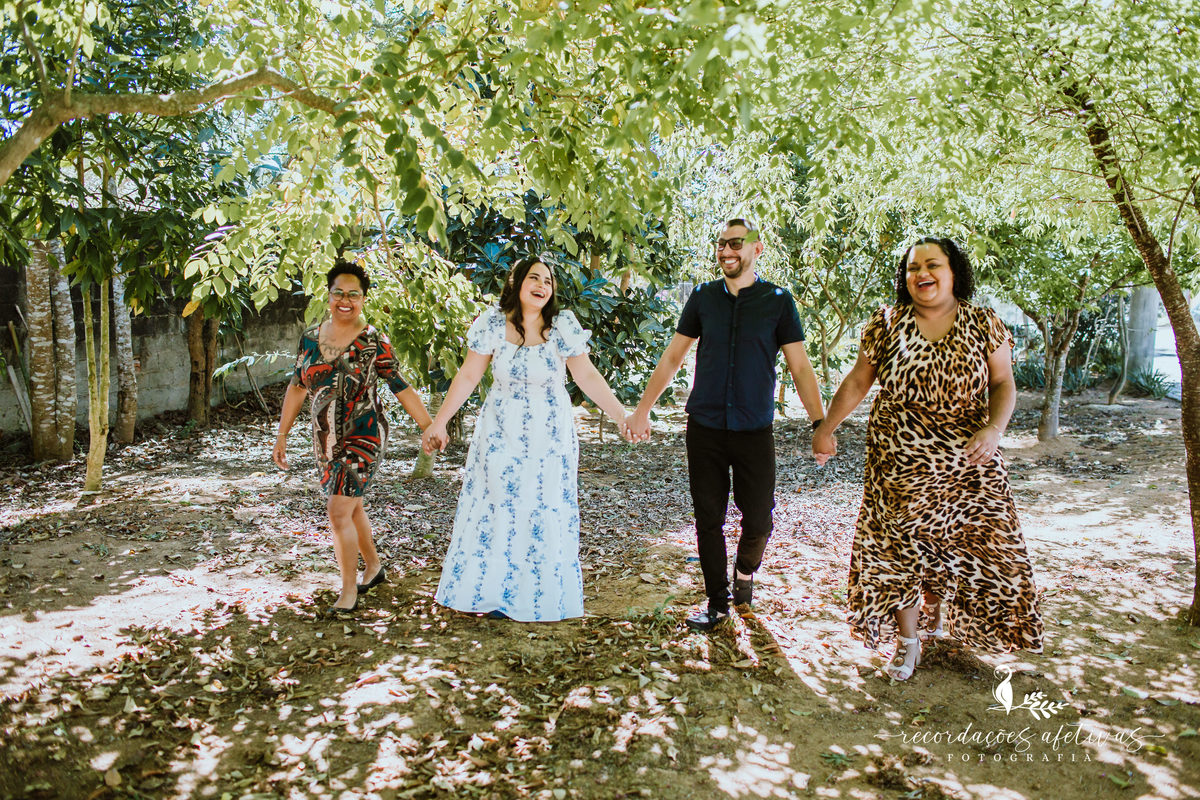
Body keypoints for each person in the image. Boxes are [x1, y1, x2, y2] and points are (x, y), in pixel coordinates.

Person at [812, 236, 1044, 681]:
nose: (921, 274)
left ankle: (936, 617)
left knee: (957, 543)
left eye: (932, 264)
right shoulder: (886, 323)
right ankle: (907, 640)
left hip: (967, 458)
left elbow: (1003, 384)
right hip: (898, 460)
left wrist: (995, 430)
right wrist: (826, 427)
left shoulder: (984, 323)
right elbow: (860, 382)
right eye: (912, 267)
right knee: (897, 549)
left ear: (954, 271)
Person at [627, 218, 826, 630]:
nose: (726, 251)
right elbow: (672, 358)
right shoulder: (702, 298)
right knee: (708, 518)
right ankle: (717, 602)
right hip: (706, 429)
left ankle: (745, 574)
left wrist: (820, 423)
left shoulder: (778, 301)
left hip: (754, 430)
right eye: (720, 244)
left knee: (759, 519)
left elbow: (801, 367)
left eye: (736, 243)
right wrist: (643, 409)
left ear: (758, 248)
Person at [421, 256, 630, 622]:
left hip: (549, 438)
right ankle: (492, 594)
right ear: (517, 283)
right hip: (499, 431)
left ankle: (535, 596)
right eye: (534, 278)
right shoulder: (490, 324)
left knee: (540, 507)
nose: (542, 286)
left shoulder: (563, 325)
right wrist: (440, 422)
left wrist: (622, 416)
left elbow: (587, 377)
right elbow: (469, 376)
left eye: (548, 281)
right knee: (498, 505)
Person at [273, 259, 433, 617]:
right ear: (328, 295)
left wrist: (428, 425)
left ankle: (348, 591)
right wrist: (281, 434)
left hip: (365, 433)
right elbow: (297, 386)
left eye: (354, 295)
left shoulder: (374, 340)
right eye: (338, 293)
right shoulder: (311, 338)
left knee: (338, 509)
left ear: (363, 299)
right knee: (351, 504)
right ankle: (373, 568)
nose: (345, 300)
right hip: (324, 436)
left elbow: (399, 386)